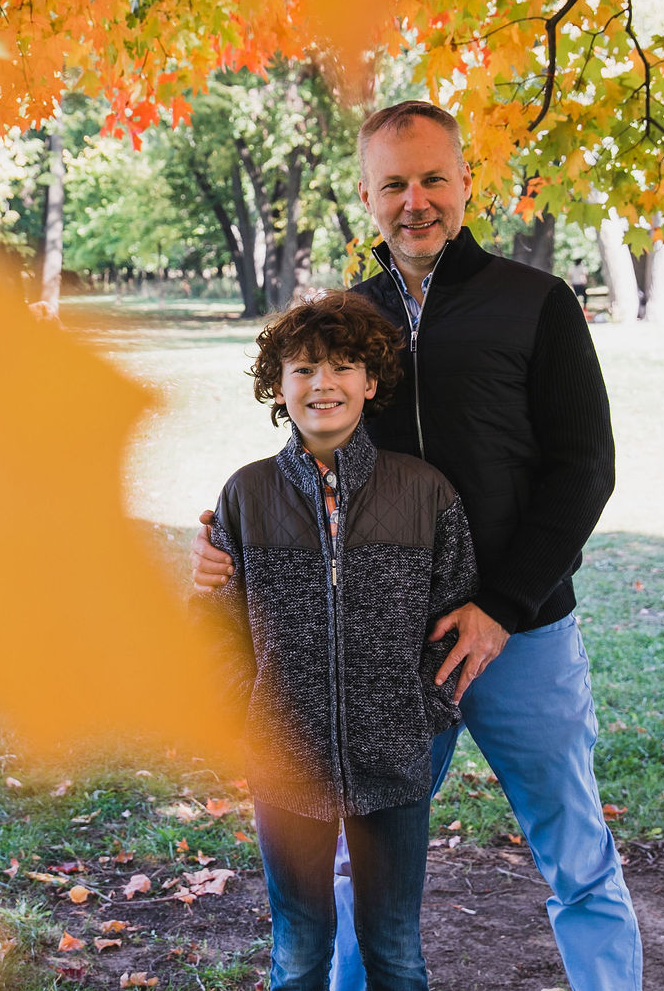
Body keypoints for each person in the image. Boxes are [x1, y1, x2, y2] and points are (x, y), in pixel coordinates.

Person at [193, 100, 641, 990]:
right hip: (388, 642)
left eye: (434, 177)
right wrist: (221, 543)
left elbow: (586, 467)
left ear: (468, 181)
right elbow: (306, 456)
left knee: (575, 847)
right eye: (394, 183)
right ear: (366, 194)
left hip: (524, 632)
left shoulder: (536, 303)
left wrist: (502, 604)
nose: (417, 200)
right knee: (365, 850)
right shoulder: (347, 321)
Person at [199, 292, 477, 991]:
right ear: (278, 385)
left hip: (394, 759)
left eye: (343, 366)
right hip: (284, 757)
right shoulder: (246, 494)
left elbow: (453, 615)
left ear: (371, 382)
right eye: (303, 369)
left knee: (394, 947)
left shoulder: (424, 492)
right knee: (297, 946)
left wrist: (421, 712)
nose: (323, 383)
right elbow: (215, 627)